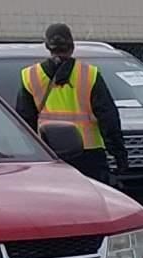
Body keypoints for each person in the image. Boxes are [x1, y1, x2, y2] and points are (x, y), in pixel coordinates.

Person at [13, 22, 126, 186]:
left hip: (49, 153)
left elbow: (24, 121)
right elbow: (108, 118)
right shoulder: (89, 74)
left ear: (47, 46)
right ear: (72, 45)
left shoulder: (30, 76)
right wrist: (119, 153)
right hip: (89, 154)